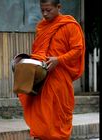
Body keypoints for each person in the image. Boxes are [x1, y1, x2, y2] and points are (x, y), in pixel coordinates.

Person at [18, 0, 85, 139]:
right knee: (40, 116)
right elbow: (38, 50)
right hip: (42, 79)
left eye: (48, 10)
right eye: (42, 10)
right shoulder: (41, 26)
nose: (45, 13)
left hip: (59, 79)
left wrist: (59, 60)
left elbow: (78, 49)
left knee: (58, 116)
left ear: (58, 7)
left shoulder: (69, 25)